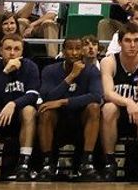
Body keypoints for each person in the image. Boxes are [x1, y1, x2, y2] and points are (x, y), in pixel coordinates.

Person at [99, 23, 138, 181]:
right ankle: (109, 162)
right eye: (127, 40)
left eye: (136, 40)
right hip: (119, 114)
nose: (132, 45)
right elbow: (107, 93)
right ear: (119, 42)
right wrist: (128, 102)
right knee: (109, 108)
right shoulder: (109, 62)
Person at [36, 36, 102, 180]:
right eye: (70, 49)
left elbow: (96, 96)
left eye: (78, 49)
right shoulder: (50, 70)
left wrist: (63, 102)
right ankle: (47, 164)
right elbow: (47, 98)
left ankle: (86, 163)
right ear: (63, 51)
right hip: (57, 121)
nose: (74, 53)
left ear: (83, 51)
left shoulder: (92, 71)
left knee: (94, 108)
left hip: (81, 121)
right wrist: (71, 76)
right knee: (45, 111)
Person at [0, 34, 39, 180]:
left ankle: (24, 163)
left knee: (29, 110)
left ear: (22, 51)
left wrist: (13, 104)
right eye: (8, 49)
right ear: (1, 50)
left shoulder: (30, 67)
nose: (12, 53)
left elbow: (33, 95)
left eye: (17, 49)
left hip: (21, 117)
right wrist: (5, 72)